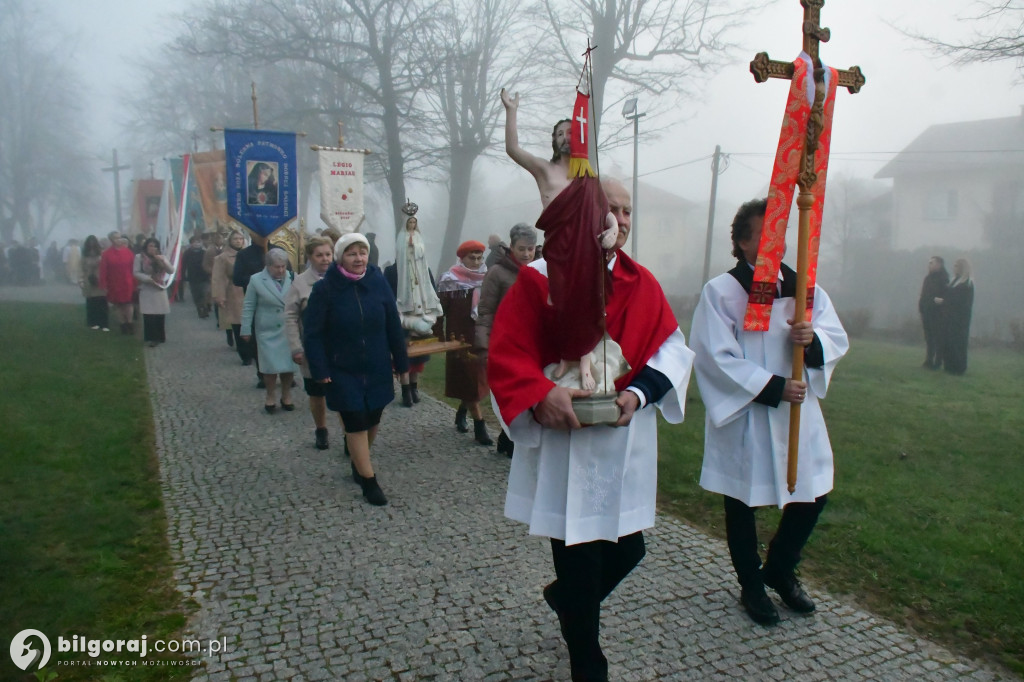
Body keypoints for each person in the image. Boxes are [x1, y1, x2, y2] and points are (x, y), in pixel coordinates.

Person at [488, 178, 693, 682]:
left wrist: (638, 393)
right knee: (579, 558)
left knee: (629, 549)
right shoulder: (539, 279)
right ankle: (588, 663)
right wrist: (541, 396)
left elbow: (671, 348)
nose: (621, 220)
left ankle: (565, 601)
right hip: (567, 446)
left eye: (627, 211)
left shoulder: (641, 281)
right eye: (612, 210)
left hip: (623, 440)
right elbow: (508, 353)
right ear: (588, 216)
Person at [689, 198, 849, 627]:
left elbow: (835, 336)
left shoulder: (804, 289)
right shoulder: (722, 292)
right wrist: (774, 387)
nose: (774, 243)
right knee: (742, 501)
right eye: (764, 234)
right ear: (742, 243)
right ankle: (751, 584)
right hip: (750, 412)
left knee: (813, 494)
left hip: (799, 414)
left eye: (780, 234)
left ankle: (779, 567)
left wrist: (810, 341)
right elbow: (713, 355)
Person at [304, 233, 410, 506]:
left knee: (373, 418)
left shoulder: (378, 282)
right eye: (352, 253)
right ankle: (369, 481)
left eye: (362, 253)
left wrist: (400, 361)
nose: (358, 258)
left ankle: (357, 460)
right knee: (355, 420)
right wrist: (320, 368)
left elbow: (393, 326)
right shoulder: (325, 289)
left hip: (376, 365)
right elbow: (313, 334)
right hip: (342, 367)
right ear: (340, 258)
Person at [476, 223, 538, 457]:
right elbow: (486, 311)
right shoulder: (497, 273)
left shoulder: (541, 269)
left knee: (532, 393)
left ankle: (509, 439)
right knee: (512, 392)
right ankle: (511, 438)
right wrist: (484, 346)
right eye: (521, 248)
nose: (526, 254)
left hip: (534, 342)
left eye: (530, 249)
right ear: (511, 247)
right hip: (507, 342)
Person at [438, 240, 492, 446]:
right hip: (458, 338)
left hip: (480, 336)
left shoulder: (488, 278)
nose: (476, 262)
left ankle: (462, 411)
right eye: (472, 257)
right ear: (462, 258)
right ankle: (480, 426)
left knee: (476, 381)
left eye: (479, 258)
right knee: (469, 380)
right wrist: (439, 335)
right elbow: (439, 312)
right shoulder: (449, 280)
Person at [286, 237, 336, 450]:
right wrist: (296, 347)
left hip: (340, 347)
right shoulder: (300, 283)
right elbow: (290, 317)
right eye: (319, 255)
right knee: (317, 393)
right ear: (310, 257)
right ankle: (321, 429)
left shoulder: (341, 278)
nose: (324, 259)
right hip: (313, 347)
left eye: (328, 254)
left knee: (344, 393)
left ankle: (349, 434)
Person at [393, 210, 442, 406]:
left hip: (421, 318)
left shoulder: (425, 272)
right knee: (403, 357)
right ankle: (405, 390)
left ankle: (414, 387)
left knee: (419, 358)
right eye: (410, 222)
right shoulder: (392, 271)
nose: (412, 225)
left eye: (415, 222)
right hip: (401, 327)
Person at [241, 249, 297, 412]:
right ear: (268, 266)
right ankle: (270, 395)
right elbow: (249, 305)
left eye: (283, 266)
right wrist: (245, 328)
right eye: (276, 267)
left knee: (288, 365)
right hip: (267, 329)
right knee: (269, 366)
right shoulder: (256, 280)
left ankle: (286, 395)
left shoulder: (293, 277)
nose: (280, 270)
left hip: (289, 328)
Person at [500, 88, 571, 209]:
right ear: (554, 140)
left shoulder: (587, 179)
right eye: (560, 134)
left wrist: (612, 226)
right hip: (555, 228)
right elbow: (513, 148)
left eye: (571, 133)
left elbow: (603, 211)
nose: (565, 137)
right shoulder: (545, 169)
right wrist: (511, 111)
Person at [212, 231, 249, 364]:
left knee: (251, 323)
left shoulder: (248, 254)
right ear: (230, 240)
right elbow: (218, 278)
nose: (238, 241)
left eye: (240, 238)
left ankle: (253, 352)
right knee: (238, 324)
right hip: (233, 291)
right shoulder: (223, 258)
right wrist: (219, 296)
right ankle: (244, 354)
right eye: (235, 239)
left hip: (249, 290)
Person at [134, 237, 175, 347]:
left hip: (159, 288)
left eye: (155, 246)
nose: (153, 248)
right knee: (149, 315)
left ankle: (161, 336)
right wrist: (148, 278)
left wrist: (162, 260)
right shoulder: (139, 257)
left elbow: (171, 270)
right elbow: (136, 272)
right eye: (150, 246)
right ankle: (152, 338)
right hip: (147, 288)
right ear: (146, 247)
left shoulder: (162, 257)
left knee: (159, 314)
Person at [939, 257, 974, 375]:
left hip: (959, 320)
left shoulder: (967, 284)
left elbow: (960, 302)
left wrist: (944, 301)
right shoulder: (954, 281)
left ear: (962, 268)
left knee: (958, 343)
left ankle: (958, 367)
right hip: (948, 318)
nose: (954, 268)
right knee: (947, 341)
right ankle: (948, 365)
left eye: (956, 266)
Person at [99, 232, 137, 335]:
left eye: (119, 238)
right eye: (115, 238)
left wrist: (136, 282)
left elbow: (134, 267)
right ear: (111, 240)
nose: (118, 240)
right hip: (114, 282)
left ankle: (130, 323)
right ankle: (123, 324)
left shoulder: (128, 252)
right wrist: (103, 284)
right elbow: (103, 270)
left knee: (128, 304)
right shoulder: (106, 254)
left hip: (127, 281)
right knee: (118, 305)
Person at [918, 256, 949, 369]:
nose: (929, 265)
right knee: (929, 338)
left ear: (939, 264)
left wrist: (937, 302)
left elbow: (945, 297)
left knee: (937, 338)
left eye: (932, 263)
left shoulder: (944, 279)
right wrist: (921, 307)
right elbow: (924, 294)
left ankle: (937, 362)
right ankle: (928, 360)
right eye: (929, 263)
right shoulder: (928, 278)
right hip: (926, 312)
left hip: (937, 314)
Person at [78, 235, 109, 331]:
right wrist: (81, 280)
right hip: (88, 280)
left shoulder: (102, 254)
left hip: (100, 280)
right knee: (91, 302)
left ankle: (103, 323)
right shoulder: (84, 256)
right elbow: (81, 269)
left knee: (102, 301)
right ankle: (93, 322)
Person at [182, 235, 211, 318]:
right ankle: (199, 308)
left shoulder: (204, 253)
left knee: (204, 293)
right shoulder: (187, 253)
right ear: (191, 243)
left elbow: (208, 263)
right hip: (192, 277)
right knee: (196, 294)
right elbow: (183, 265)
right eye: (194, 242)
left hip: (204, 277)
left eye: (198, 242)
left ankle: (204, 308)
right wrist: (183, 276)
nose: (197, 244)